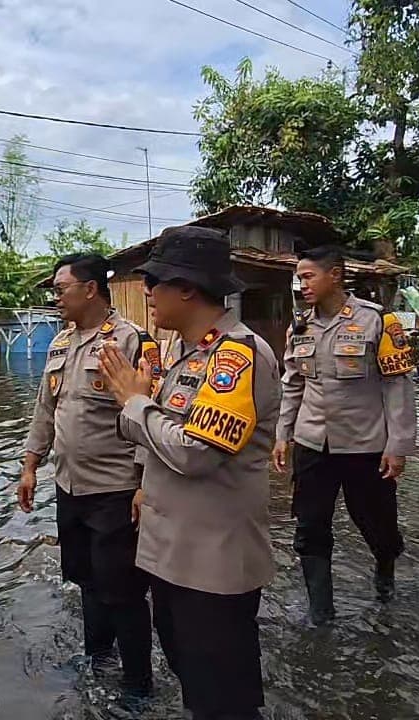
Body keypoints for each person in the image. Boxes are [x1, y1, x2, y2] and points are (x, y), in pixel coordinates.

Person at [97, 226, 280, 720]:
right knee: (188, 668)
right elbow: (165, 435)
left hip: (214, 561)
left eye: (153, 283)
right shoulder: (187, 352)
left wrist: (134, 401)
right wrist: (141, 481)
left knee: (222, 695)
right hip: (174, 550)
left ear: (187, 288)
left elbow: (197, 453)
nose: (147, 295)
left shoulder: (235, 357)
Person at [19, 253, 160, 699]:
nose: (55, 296)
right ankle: (98, 658)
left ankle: (138, 686)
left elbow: (149, 415)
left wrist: (144, 484)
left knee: (122, 590)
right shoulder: (60, 343)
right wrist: (29, 464)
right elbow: (47, 408)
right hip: (70, 486)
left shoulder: (133, 342)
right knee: (86, 579)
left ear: (90, 289)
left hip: (116, 489)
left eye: (61, 288)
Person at [271, 246, 417, 624]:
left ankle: (385, 567)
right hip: (312, 444)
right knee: (309, 525)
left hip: (365, 445)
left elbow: (397, 387)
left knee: (376, 524)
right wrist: (282, 434)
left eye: (308, 276)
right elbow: (293, 384)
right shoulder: (299, 327)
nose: (300, 284)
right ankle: (322, 612)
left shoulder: (379, 322)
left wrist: (398, 446)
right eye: (298, 278)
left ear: (335, 275)